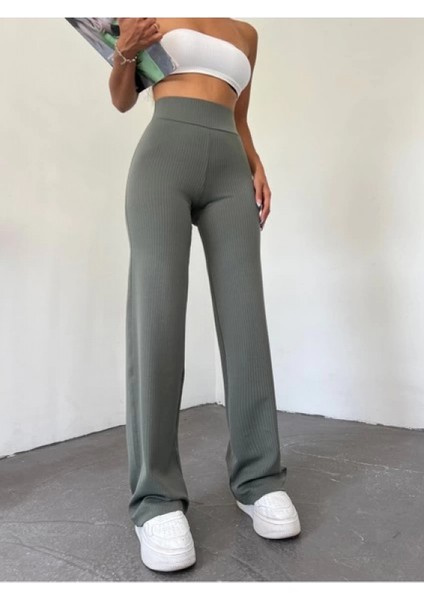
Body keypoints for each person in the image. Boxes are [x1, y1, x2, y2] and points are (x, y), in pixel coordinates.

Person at [109, 17, 301, 573]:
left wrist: (256, 162)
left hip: (230, 171)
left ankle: (258, 478)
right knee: (157, 321)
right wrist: (124, 53)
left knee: (246, 320)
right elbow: (122, 100)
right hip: (162, 160)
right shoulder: (151, 14)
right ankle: (156, 498)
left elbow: (239, 115)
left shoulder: (246, 34)